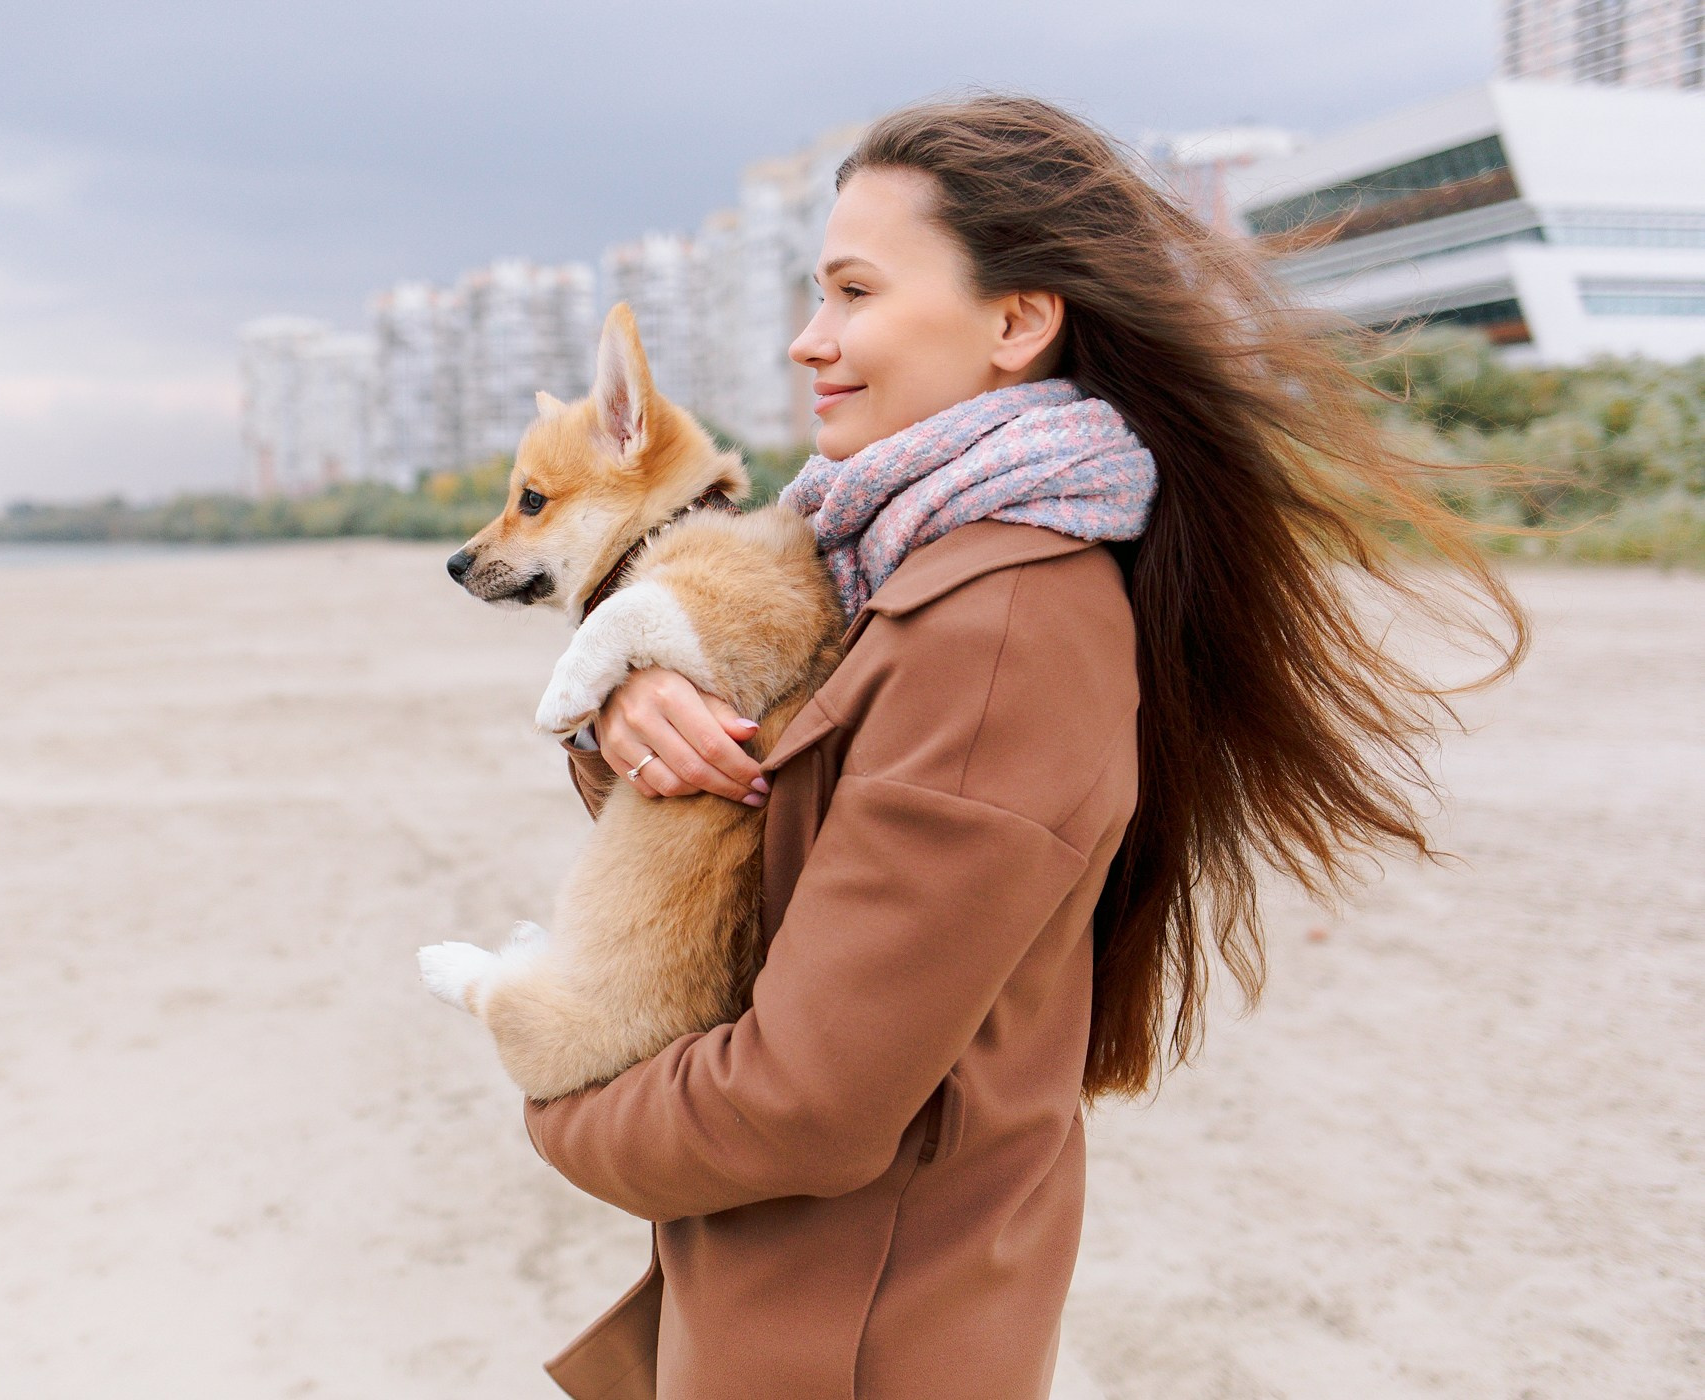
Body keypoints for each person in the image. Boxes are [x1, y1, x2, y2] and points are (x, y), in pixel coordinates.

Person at [522, 93, 1525, 1400]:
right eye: (818, 295)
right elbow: (765, 845)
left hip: (853, 1337)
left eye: (854, 292)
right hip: (816, 1301)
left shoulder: (998, 628)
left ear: (1017, 322)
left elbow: (805, 1105)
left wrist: (560, 1103)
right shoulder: (897, 560)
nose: (808, 339)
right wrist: (630, 707)